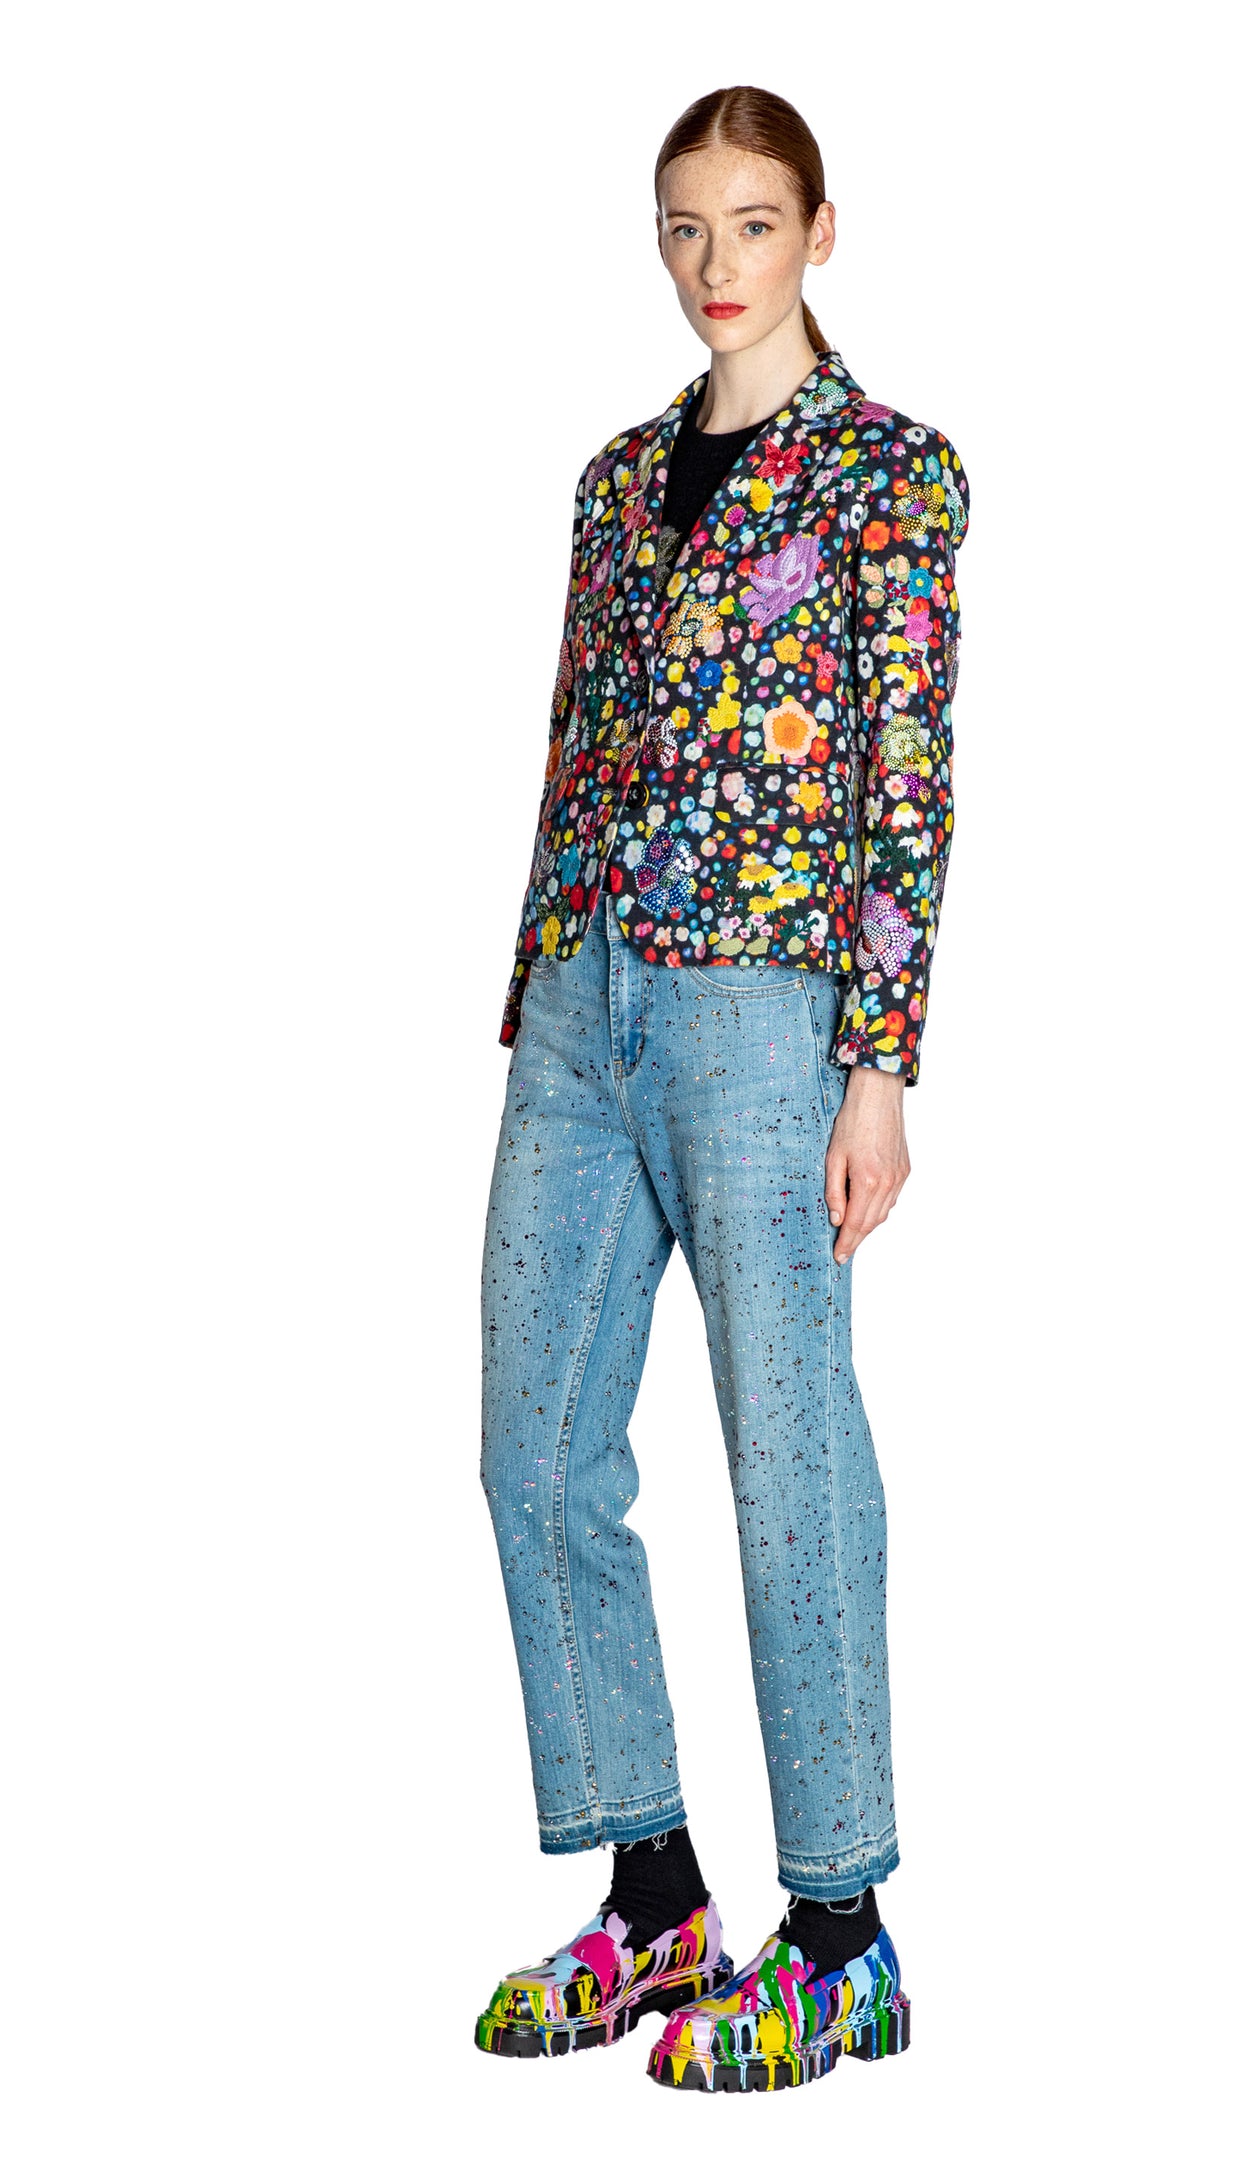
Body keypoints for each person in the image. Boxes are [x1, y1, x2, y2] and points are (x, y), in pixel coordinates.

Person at [475, 83, 969, 2094]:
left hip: (768, 1014)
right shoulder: (614, 482)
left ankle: (841, 1932)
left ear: (817, 234)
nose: (713, 265)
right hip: (582, 1005)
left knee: (790, 1458)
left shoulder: (889, 475)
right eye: (684, 226)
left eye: (751, 225)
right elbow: (574, 741)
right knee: (533, 1452)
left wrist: (881, 1062)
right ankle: (657, 1893)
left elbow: (907, 773)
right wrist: (537, 981)